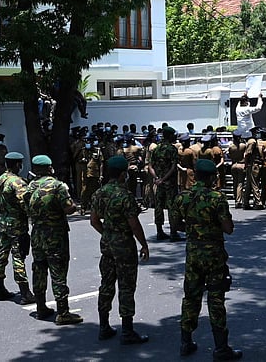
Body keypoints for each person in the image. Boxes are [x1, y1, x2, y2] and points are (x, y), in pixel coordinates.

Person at [171, 159, 242, 360]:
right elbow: (228, 228)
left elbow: (175, 225)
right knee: (216, 300)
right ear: (211, 177)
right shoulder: (217, 198)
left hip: (193, 253)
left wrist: (194, 230)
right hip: (214, 256)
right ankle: (221, 348)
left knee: (191, 297)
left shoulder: (182, 198)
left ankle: (186, 342)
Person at [90, 155, 150, 344]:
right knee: (126, 287)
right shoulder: (125, 195)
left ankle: (103, 327)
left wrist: (107, 233)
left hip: (107, 245)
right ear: (123, 174)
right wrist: (144, 244)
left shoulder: (99, 193)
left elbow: (93, 221)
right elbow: (134, 224)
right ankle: (127, 330)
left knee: (106, 284)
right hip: (124, 246)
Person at [27, 154, 81, 325]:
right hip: (55, 234)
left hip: (37, 233)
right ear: (50, 168)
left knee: (39, 269)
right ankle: (63, 312)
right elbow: (68, 208)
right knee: (58, 271)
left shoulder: (29, 187)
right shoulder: (58, 186)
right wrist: (74, 206)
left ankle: (41, 307)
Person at [0, 151, 35, 304]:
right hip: (17, 225)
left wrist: (6, 212)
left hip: (4, 223)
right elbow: (25, 205)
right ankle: (25, 293)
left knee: (0, 256)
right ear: (17, 165)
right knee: (18, 257)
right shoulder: (18, 182)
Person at [148, 126, 180, 240]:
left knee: (159, 206)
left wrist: (157, 178)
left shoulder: (156, 149)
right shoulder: (172, 149)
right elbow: (173, 167)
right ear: (169, 136)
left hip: (159, 183)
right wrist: (164, 179)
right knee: (172, 207)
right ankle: (173, 232)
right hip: (169, 183)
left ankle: (159, 231)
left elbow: (150, 166)